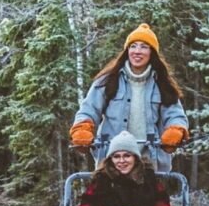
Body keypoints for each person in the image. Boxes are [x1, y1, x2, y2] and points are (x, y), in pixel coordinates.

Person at [69, 23, 188, 172]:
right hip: (112, 160)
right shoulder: (107, 81)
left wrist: (175, 130)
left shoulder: (163, 84)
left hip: (150, 162)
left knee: (151, 195)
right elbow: (88, 110)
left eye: (144, 47)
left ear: (152, 53)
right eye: (133, 46)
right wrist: (82, 128)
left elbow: (175, 115)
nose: (137, 51)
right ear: (127, 51)